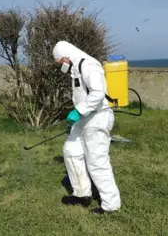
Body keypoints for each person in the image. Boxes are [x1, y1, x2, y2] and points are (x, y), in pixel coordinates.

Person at [52, 40, 121, 215]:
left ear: (66, 57)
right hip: (84, 118)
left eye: (60, 62)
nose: (60, 66)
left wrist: (78, 111)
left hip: (98, 117)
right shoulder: (75, 68)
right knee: (71, 151)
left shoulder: (88, 65)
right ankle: (81, 195)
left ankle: (111, 206)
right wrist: (77, 116)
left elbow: (98, 93)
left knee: (97, 162)